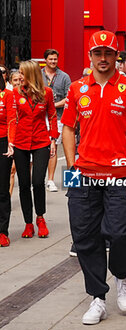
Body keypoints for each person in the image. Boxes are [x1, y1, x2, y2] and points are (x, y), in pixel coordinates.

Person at [62, 30, 126, 325]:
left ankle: (122, 275)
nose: (103, 58)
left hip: (120, 173)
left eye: (108, 53)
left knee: (122, 233)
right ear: (90, 56)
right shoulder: (76, 89)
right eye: (97, 53)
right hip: (84, 174)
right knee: (84, 237)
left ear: (116, 56)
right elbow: (68, 129)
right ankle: (97, 297)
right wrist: (72, 167)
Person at [12, 60, 59, 239]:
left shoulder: (46, 93)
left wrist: (53, 139)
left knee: (38, 181)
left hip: (41, 141)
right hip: (20, 142)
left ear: (31, 74)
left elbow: (53, 116)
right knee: (24, 184)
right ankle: (28, 223)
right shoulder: (14, 94)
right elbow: (10, 118)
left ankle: (40, 218)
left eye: (22, 73)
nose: (19, 77)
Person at [42, 49, 71, 192]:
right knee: (40, 148)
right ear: (45, 60)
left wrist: (53, 105)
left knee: (53, 148)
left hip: (58, 117)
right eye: (50, 59)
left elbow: (69, 98)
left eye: (55, 59)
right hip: (39, 117)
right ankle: (37, 178)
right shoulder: (38, 75)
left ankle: (51, 180)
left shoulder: (64, 77)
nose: (53, 62)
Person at [0, 71, 16, 247]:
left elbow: (12, 119)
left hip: (3, 142)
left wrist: (11, 143)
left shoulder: (8, 95)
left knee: (2, 189)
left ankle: (2, 231)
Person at [8, 70, 21, 195]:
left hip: (21, 136)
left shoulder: (26, 96)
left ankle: (8, 199)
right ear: (11, 82)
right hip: (8, 135)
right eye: (15, 80)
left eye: (19, 80)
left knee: (13, 170)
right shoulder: (7, 95)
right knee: (8, 170)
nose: (17, 83)